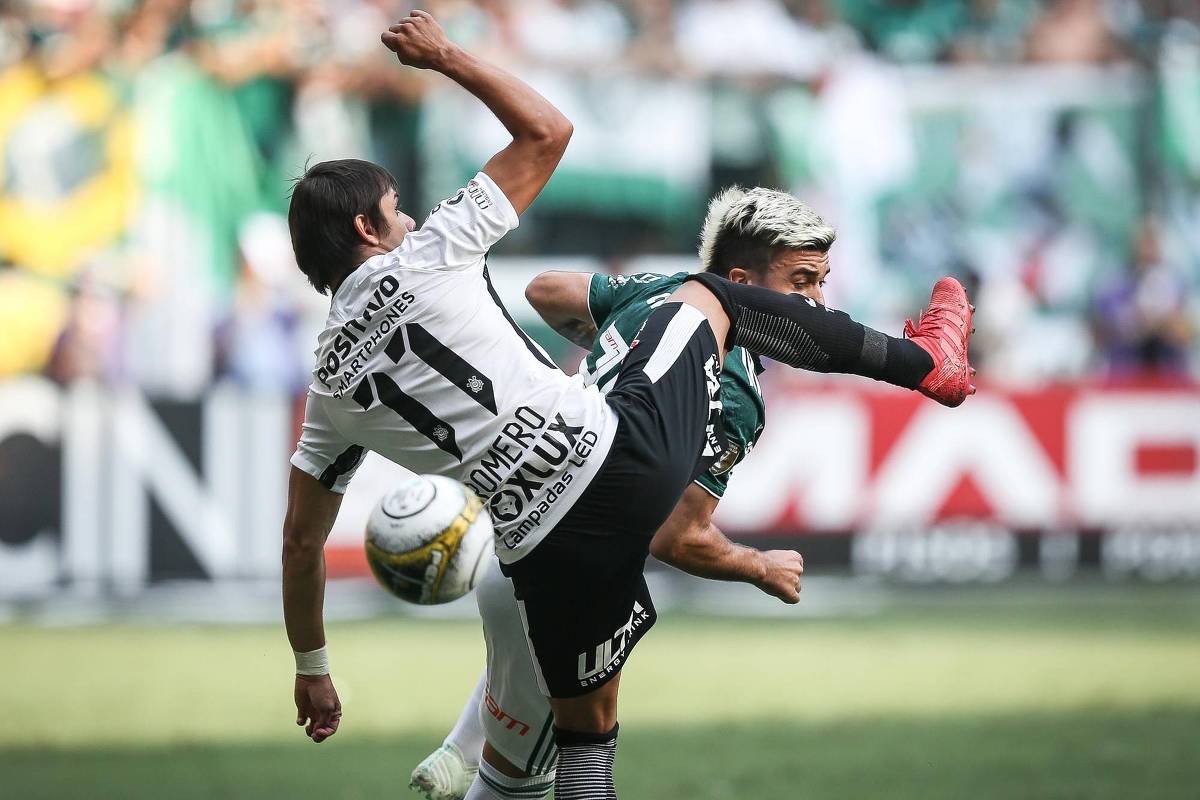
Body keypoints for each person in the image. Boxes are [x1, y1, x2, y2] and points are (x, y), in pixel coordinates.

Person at [282, 11, 974, 800]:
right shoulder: (430, 253)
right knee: (712, 293)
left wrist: (313, 670)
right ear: (370, 229)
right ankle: (930, 365)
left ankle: (465, 748)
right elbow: (547, 130)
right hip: (617, 460)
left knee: (579, 758)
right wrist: (443, 56)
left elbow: (301, 544)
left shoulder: (327, 395)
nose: (411, 217)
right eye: (399, 208)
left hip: (540, 550)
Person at [410, 185, 833, 800]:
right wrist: (758, 565)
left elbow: (544, 291)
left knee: (525, 756)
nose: (817, 303)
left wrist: (614, 351)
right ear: (740, 279)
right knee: (527, 784)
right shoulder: (735, 388)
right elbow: (676, 538)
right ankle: (467, 751)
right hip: (571, 578)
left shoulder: (658, 296)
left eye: (820, 282)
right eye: (801, 282)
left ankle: (461, 746)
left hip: (517, 541)